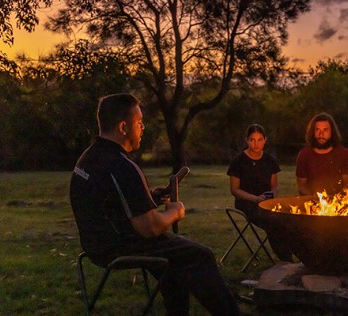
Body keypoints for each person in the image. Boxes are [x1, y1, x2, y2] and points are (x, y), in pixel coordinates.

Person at [69, 93, 239, 315]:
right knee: (200, 256)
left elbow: (107, 200)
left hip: (96, 244)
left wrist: (148, 196)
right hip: (119, 246)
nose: (143, 127)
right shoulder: (122, 166)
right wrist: (174, 212)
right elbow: (150, 227)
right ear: (123, 127)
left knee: (174, 263)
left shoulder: (89, 157)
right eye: (139, 122)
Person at [227, 124, 293, 262]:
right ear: (247, 140)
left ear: (265, 140)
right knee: (272, 222)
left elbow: (274, 186)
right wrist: (255, 199)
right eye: (252, 140)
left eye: (259, 140)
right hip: (247, 203)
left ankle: (299, 255)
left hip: (268, 202)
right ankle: (286, 260)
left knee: (289, 218)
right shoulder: (238, 161)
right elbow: (234, 190)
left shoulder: (270, 161)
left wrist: (272, 196)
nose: (256, 144)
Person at [296, 112, 348, 196]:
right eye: (317, 130)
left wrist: (333, 202)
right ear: (313, 132)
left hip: (338, 204)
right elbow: (302, 187)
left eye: (325, 130)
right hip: (311, 203)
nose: (321, 134)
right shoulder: (304, 155)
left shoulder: (344, 154)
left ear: (332, 132)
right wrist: (316, 200)